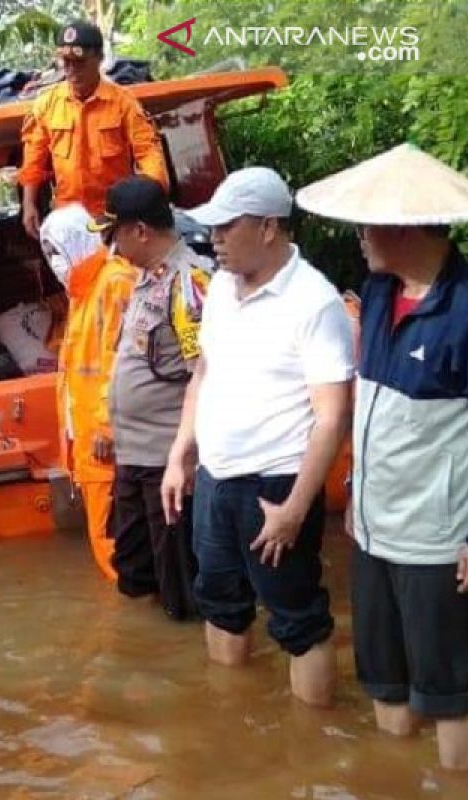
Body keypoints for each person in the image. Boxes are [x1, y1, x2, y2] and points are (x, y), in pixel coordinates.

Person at [296, 143, 468, 770]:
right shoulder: (379, 296)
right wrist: (353, 492)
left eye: (368, 224)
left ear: (406, 227)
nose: (358, 237)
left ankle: (460, 783)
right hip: (375, 530)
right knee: (384, 678)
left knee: (448, 692)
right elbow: (373, 410)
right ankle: (395, 779)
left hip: (437, 542)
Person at [161, 168, 354, 707]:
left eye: (226, 227)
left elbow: (332, 417)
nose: (214, 239)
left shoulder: (314, 302)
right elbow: (204, 373)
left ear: (269, 227)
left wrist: (295, 507)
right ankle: (232, 721)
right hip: (216, 475)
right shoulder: (220, 288)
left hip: (276, 482)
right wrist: (181, 454)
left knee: (297, 619)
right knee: (218, 601)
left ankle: (310, 750)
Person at [90, 177, 211, 619]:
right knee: (134, 576)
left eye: (114, 233)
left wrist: (186, 456)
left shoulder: (189, 283)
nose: (111, 245)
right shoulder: (147, 280)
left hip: (168, 461)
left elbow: (207, 373)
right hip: (133, 457)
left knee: (180, 590)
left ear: (140, 230)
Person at [43, 203, 136, 581]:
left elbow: (122, 362)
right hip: (88, 445)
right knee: (110, 546)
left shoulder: (113, 283)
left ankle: (132, 633)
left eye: (55, 251)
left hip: (106, 443)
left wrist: (107, 426)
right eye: (47, 253)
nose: (53, 261)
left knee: (118, 551)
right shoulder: (81, 292)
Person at [18, 20, 168, 238]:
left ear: (99, 59)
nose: (71, 70)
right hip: (68, 222)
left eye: (79, 63)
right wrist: (28, 204)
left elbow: (148, 153)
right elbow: (33, 161)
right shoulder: (46, 104)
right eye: (66, 62)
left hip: (114, 220)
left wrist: (148, 200)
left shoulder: (123, 103)